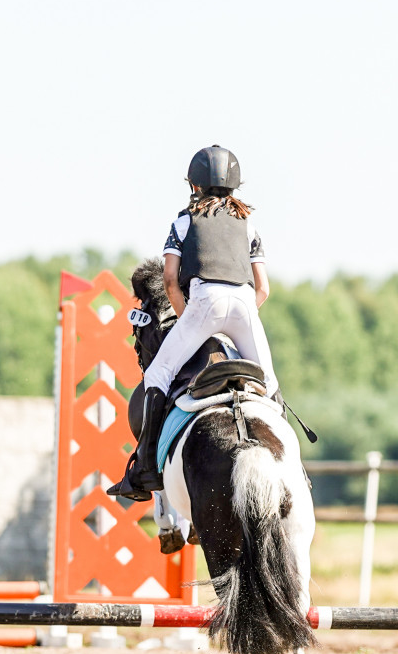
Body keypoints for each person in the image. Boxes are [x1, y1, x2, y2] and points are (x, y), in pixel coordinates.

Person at [108, 144, 280, 502]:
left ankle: (145, 470)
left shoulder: (184, 220)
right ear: (235, 185)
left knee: (157, 374)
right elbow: (263, 287)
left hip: (204, 303)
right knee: (271, 386)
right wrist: (241, 316)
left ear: (194, 185)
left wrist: (193, 321)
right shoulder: (248, 223)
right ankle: (292, 469)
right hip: (246, 306)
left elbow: (170, 280)